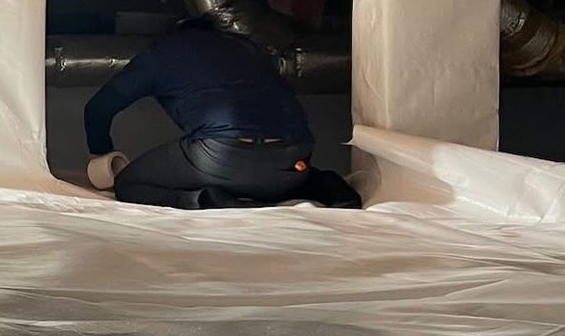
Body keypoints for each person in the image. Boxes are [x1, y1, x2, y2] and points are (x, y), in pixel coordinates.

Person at [83, 20, 359, 210]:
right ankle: (323, 185)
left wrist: (101, 151)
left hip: (224, 154)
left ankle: (207, 200)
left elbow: (98, 108)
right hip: (296, 156)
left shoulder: (162, 53)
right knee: (280, 175)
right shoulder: (247, 47)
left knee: (130, 184)